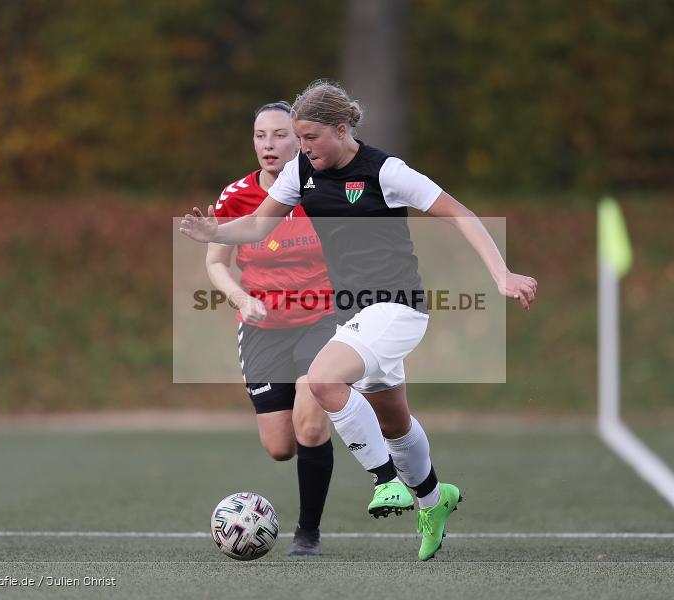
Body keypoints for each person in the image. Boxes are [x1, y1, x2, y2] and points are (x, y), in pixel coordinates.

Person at [181, 81, 538, 561]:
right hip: (354, 314)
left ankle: (385, 480)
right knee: (395, 422)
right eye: (298, 140)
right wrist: (215, 231)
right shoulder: (301, 173)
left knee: (324, 380)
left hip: (397, 306)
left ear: (341, 130)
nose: (301, 149)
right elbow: (258, 225)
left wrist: (502, 273)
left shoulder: (385, 170)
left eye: (308, 139)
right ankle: (435, 500)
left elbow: (459, 213)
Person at [205, 101, 336, 556]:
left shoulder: (322, 190)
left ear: (299, 140)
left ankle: (308, 533)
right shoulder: (236, 195)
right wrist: (243, 299)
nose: (269, 144)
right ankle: (324, 432)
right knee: (281, 446)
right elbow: (215, 262)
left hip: (322, 320)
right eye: (261, 136)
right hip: (262, 329)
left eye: (279, 135)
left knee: (310, 421)